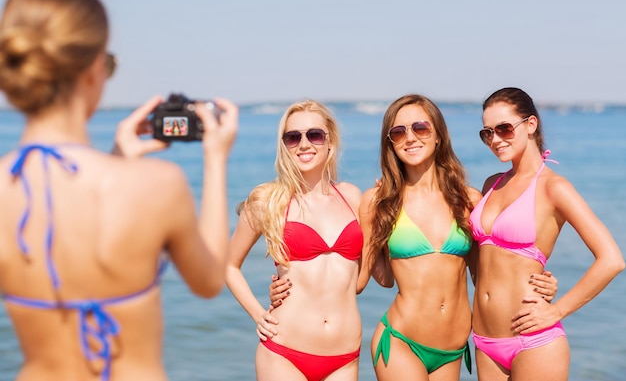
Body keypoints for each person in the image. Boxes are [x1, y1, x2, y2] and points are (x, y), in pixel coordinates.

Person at [0, 0, 238, 381]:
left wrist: (115, 158)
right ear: (94, 70)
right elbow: (210, 279)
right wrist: (215, 160)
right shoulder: (156, 185)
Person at [269, 94, 558, 381]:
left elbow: (484, 273)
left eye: (420, 128)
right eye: (398, 132)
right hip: (400, 342)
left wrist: (534, 282)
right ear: (390, 144)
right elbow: (370, 279)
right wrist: (293, 281)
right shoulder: (379, 201)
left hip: (453, 349)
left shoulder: (468, 199)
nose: (410, 138)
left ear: (438, 136)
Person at [470, 87, 624, 381]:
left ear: (530, 125)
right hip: (485, 340)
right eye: (487, 133)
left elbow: (611, 259)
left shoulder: (555, 188)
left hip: (534, 341)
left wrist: (558, 311)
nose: (495, 140)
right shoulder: (491, 183)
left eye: (503, 129)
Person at [226, 99, 363, 381]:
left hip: (345, 358)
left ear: (330, 141)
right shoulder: (269, 201)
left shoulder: (352, 197)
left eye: (314, 134)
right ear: (284, 146)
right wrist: (257, 314)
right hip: (284, 353)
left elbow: (361, 277)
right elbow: (229, 265)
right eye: (293, 137)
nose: (304, 144)